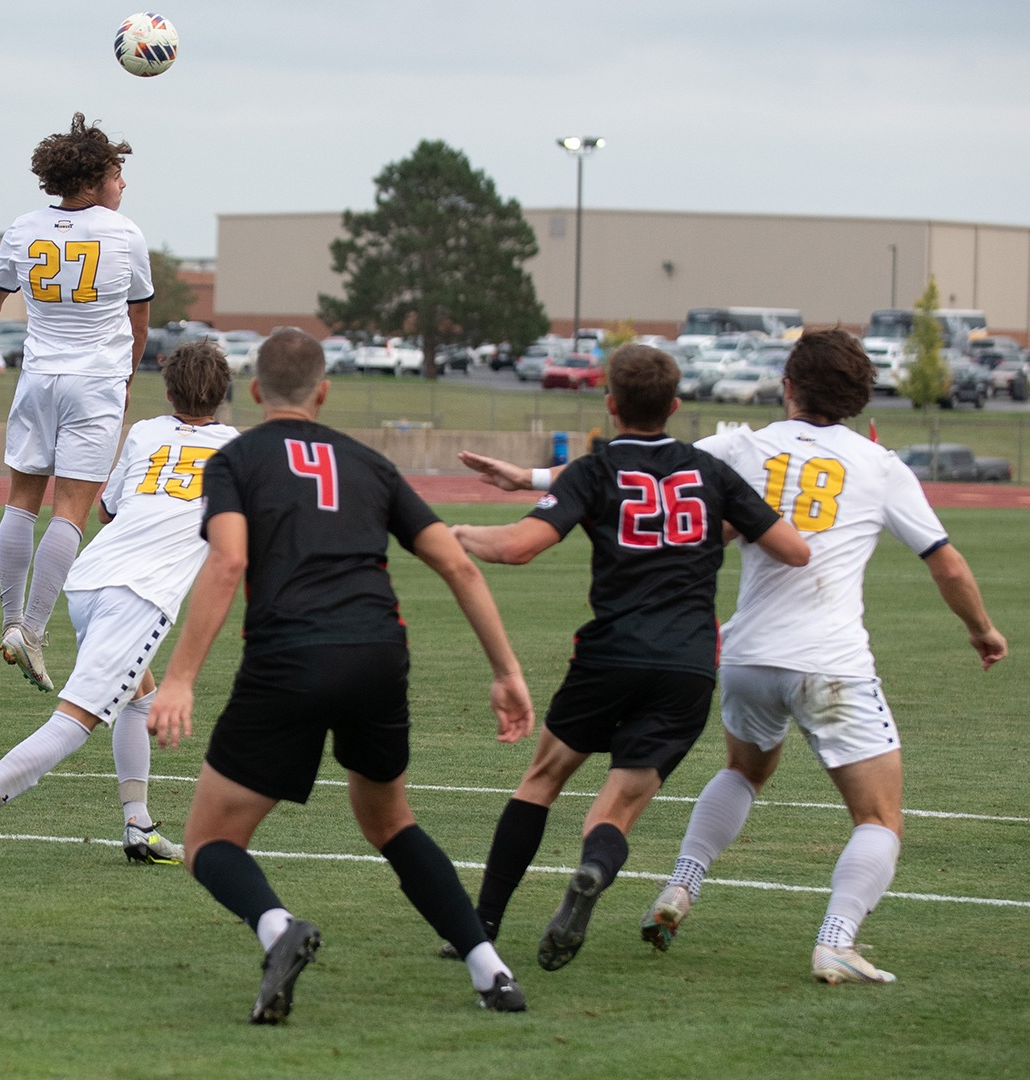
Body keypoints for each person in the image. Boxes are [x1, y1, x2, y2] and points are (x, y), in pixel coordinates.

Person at [461, 329, 1008, 984]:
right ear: (862, 398)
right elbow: (943, 562)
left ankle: (681, 886)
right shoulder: (880, 466)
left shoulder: (743, 445)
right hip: (830, 661)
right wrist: (981, 628)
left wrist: (530, 478)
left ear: (787, 386)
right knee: (879, 816)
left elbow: (643, 466)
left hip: (744, 655)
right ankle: (836, 939)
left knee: (745, 772)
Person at [145, 329, 537, 1022]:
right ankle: (491, 970)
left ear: (257, 391)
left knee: (209, 841)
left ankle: (277, 929)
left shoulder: (237, 459)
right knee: (390, 822)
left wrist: (178, 680)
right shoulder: (368, 462)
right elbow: (459, 563)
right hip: (378, 654)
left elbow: (228, 562)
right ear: (323, 391)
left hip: (290, 656)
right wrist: (507, 672)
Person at [446, 345, 808, 974]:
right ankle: (593, 868)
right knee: (614, 808)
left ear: (610, 405)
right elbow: (793, 551)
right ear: (674, 406)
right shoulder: (710, 473)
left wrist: (457, 536)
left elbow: (518, 548)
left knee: (542, 780)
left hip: (611, 654)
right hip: (689, 666)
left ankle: (481, 925)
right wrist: (723, 524)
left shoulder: (595, 470)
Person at [0, 341, 236, 872]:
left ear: (167, 390)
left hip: (91, 578)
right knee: (76, 721)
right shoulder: (237, 447)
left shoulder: (144, 432)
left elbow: (107, 511)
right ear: (225, 392)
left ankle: (138, 826)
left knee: (140, 697)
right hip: (140, 596)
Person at [0, 112, 153, 695]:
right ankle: (34, 630)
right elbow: (138, 322)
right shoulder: (125, 235)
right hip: (94, 382)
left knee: (20, 501)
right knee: (71, 509)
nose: (123, 186)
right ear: (93, 179)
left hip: (37, 379)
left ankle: (11, 619)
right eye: (118, 175)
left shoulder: (23, 228)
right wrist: (123, 381)